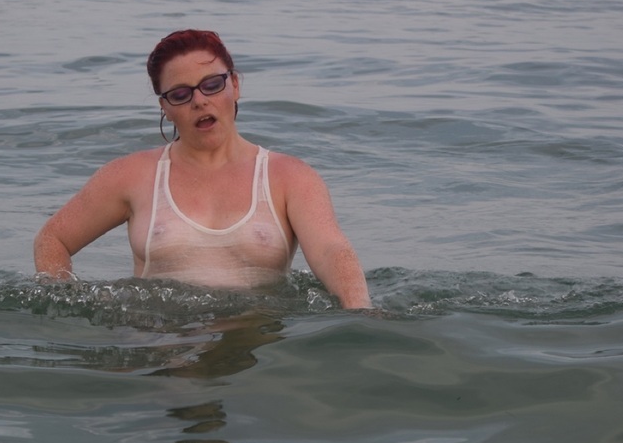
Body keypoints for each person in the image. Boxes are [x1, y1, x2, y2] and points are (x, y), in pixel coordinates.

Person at [34, 29, 372, 309]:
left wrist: (360, 313)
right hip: (158, 349)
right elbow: (53, 238)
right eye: (180, 94)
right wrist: (63, 302)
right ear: (165, 108)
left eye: (212, 84)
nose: (199, 100)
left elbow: (331, 250)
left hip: (256, 350)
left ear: (235, 85)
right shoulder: (130, 176)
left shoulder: (290, 178)